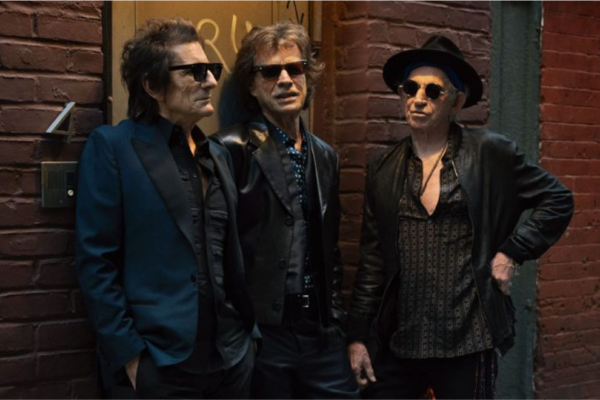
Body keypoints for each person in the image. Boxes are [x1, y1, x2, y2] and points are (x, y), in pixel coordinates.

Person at [346, 34, 574, 399]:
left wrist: (512, 252)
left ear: (456, 102)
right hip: (401, 340)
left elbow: (558, 199)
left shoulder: (490, 153)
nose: (419, 99)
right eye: (410, 88)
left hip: (468, 338)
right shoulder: (383, 168)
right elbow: (373, 260)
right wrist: (358, 336)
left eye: (433, 91)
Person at [75, 18, 257, 400]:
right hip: (160, 364)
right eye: (195, 71)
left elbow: (232, 253)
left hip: (230, 358)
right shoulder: (114, 147)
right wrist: (131, 357)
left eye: (211, 69)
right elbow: (96, 261)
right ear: (152, 86)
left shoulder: (218, 154)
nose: (211, 81)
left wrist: (248, 337)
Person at [213, 22, 360, 400]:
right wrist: (237, 334)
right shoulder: (230, 149)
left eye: (295, 68)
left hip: (321, 333)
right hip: (262, 334)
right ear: (251, 84)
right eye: (269, 71)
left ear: (307, 77)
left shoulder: (325, 156)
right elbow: (214, 254)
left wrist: (337, 323)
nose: (285, 80)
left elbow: (330, 249)